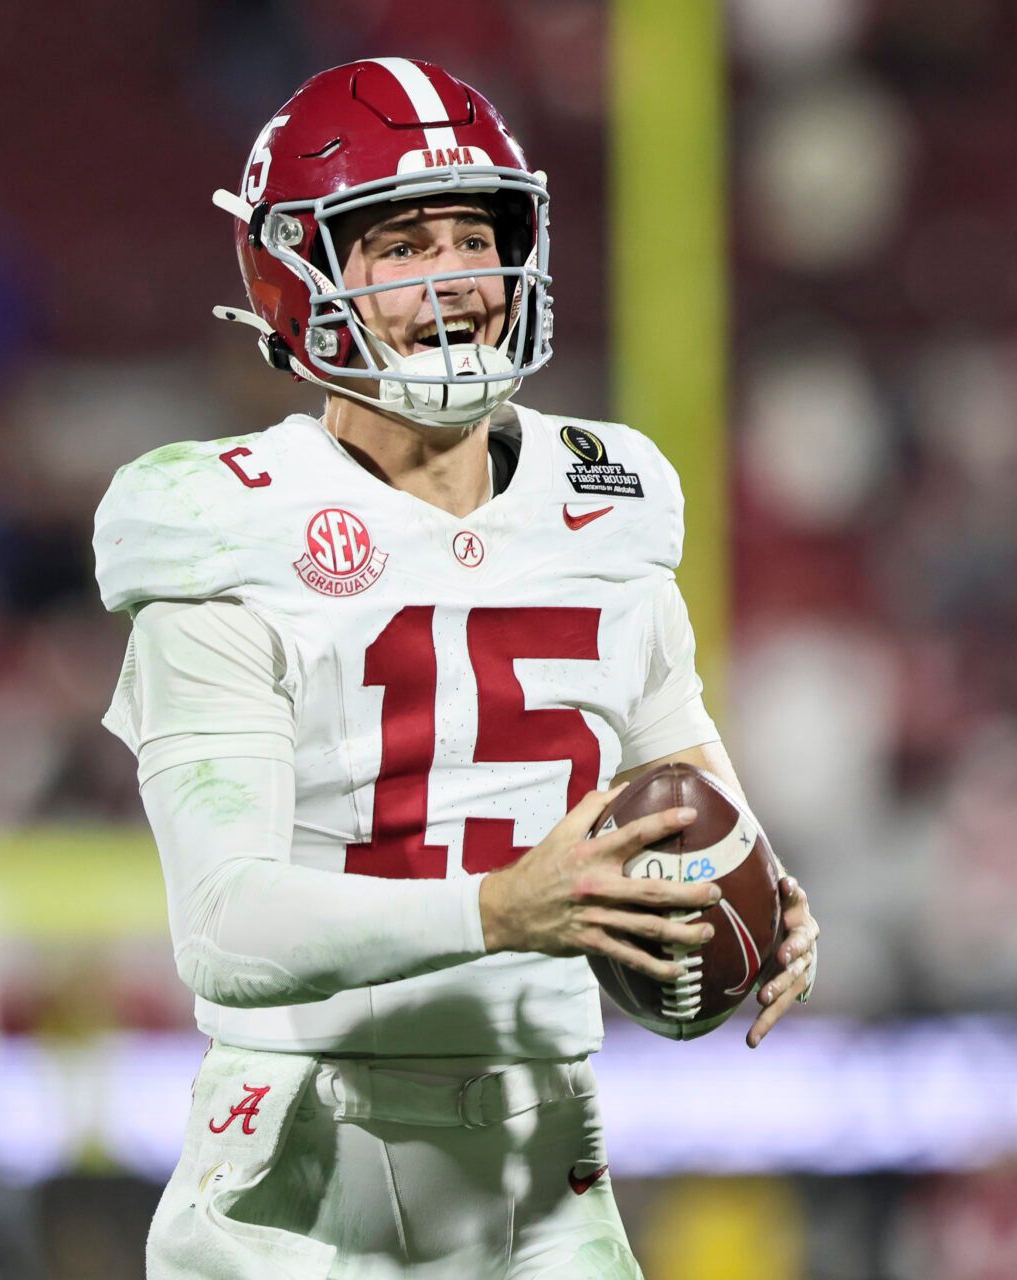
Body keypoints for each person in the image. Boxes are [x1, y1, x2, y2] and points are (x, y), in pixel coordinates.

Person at [94, 58, 820, 1279]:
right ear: (302, 278)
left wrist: (758, 877)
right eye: (401, 245)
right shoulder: (222, 523)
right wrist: (497, 908)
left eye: (473, 237)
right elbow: (224, 926)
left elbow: (673, 747)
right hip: (295, 1169)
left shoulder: (610, 498)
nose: (454, 282)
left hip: (543, 1164)